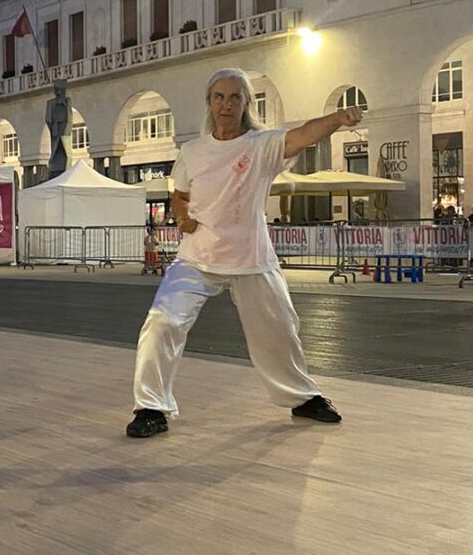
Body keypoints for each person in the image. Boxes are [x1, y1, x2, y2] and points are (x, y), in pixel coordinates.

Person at [126, 68, 363, 438]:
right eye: (219, 97)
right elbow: (181, 193)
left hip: (252, 257)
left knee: (279, 328)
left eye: (235, 97)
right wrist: (182, 216)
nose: (226, 104)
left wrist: (336, 118)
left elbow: (302, 136)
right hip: (196, 257)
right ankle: (151, 408)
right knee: (163, 321)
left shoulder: (261, 145)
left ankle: (302, 397)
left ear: (246, 103)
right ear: (209, 103)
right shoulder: (192, 151)